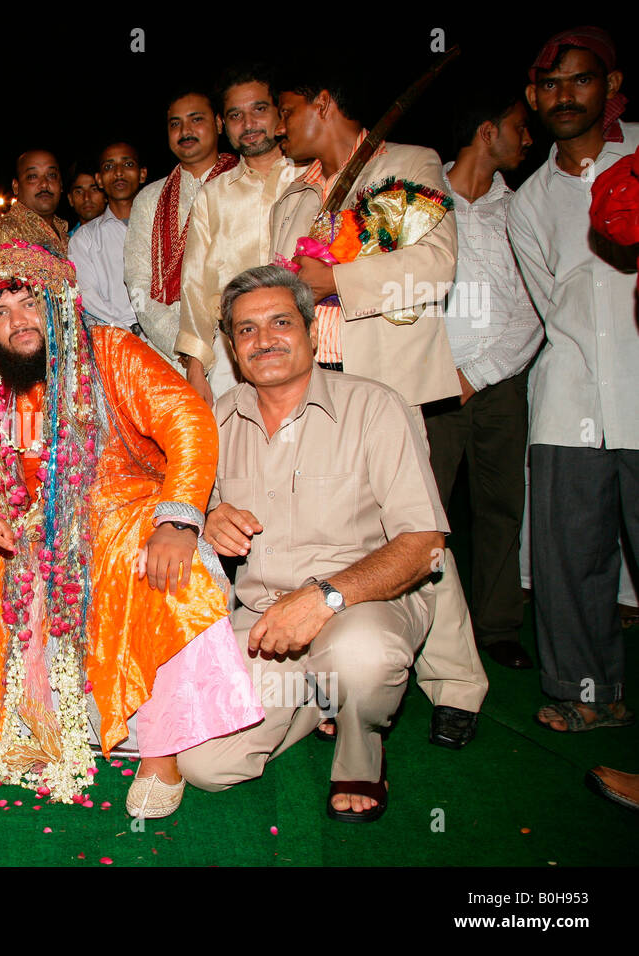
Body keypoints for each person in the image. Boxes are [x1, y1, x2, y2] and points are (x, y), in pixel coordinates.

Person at [0, 241, 262, 819]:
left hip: (118, 516)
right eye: (0, 314)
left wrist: (179, 519)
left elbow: (187, 418)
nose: (17, 323)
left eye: (29, 303)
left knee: (160, 564)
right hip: (26, 530)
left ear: (59, 301)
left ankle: (162, 752)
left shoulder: (112, 350)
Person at [181, 265, 450, 822]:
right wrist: (209, 517)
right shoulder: (217, 419)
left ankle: (360, 752)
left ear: (309, 329)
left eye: (280, 321)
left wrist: (324, 597)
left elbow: (425, 542)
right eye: (246, 329)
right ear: (231, 346)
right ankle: (317, 696)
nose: (265, 339)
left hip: (365, 607)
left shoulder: (376, 406)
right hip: (265, 622)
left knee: (360, 654)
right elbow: (186, 507)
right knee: (205, 766)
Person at [270, 68, 488, 750]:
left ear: (324, 99)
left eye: (288, 109)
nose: (280, 126)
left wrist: (339, 279)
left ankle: (456, 685)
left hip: (388, 386)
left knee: (417, 536)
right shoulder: (290, 203)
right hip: (315, 389)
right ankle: (333, 677)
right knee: (327, 531)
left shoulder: (405, 168)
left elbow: (436, 267)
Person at [506, 26, 638, 734]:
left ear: (611, 87)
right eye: (550, 85)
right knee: (571, 557)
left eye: (580, 80)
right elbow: (547, 302)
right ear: (533, 98)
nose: (564, 95)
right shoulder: (529, 201)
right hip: (570, 397)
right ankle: (588, 695)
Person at [425, 83, 542, 671]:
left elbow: (534, 308)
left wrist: (480, 373)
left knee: (500, 507)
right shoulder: (421, 199)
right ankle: (418, 631)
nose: (529, 136)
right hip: (432, 386)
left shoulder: (521, 209)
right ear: (486, 131)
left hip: (500, 384)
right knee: (424, 516)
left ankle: (497, 626)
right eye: (518, 125)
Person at [178, 66, 297, 402]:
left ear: (280, 113)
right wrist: (197, 369)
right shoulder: (213, 196)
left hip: (307, 347)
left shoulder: (312, 180)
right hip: (232, 358)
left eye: (259, 110)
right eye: (235, 115)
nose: (248, 125)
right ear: (222, 123)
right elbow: (194, 288)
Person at [126, 86, 239, 369]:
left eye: (196, 119)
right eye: (175, 124)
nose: (184, 130)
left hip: (234, 344)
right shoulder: (149, 199)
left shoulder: (244, 185)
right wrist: (184, 347)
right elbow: (138, 282)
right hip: (169, 350)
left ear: (218, 123)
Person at [69, 142, 146, 336]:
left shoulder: (162, 227)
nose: (118, 173)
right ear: (100, 179)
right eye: (109, 167)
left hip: (170, 345)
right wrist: (129, 334)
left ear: (142, 173)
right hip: (117, 345)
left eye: (127, 164)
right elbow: (88, 298)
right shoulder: (84, 240)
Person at [0, 150, 70, 260]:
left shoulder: (66, 232)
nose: (44, 184)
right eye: (33, 177)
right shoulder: (2, 231)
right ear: (16, 186)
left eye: (52, 175)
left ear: (61, 184)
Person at [65, 162, 106, 235]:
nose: (86, 198)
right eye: (79, 192)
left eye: (94, 189)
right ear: (70, 199)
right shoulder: (66, 243)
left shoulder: (123, 231)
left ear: (106, 195)